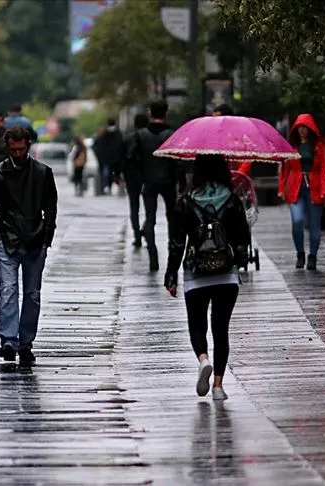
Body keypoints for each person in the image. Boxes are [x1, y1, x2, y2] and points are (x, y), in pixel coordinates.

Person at [164, 154, 251, 401]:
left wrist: (171, 275)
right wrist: (240, 262)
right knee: (221, 329)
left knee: (197, 324)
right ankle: (218, 386)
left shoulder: (185, 201)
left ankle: (203, 359)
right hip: (226, 273)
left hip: (196, 272)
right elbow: (243, 240)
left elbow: (176, 243)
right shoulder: (233, 200)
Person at [0, 127, 58, 364]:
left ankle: (24, 342)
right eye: (13, 149)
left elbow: (51, 208)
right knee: (10, 291)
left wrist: (46, 237)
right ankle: (9, 341)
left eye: (21, 148)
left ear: (28, 146)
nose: (17, 153)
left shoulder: (43, 173)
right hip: (9, 239)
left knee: (31, 294)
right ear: (8, 147)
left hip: (34, 241)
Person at [128, 100, 179, 271]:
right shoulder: (171, 134)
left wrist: (141, 174)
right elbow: (176, 161)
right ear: (166, 113)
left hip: (149, 181)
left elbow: (131, 158)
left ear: (150, 112)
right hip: (168, 182)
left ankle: (152, 254)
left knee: (150, 218)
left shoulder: (140, 135)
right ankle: (173, 251)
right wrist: (180, 180)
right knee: (172, 217)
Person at [278, 114, 325, 271]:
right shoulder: (291, 146)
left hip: (314, 188)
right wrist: (281, 188)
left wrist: (324, 190)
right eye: (299, 127)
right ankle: (300, 252)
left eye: (305, 127)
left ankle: (312, 256)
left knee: (314, 226)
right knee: (297, 221)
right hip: (295, 187)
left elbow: (324, 169)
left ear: (311, 129)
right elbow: (285, 169)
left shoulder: (319, 146)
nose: (302, 130)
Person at [120, 114, 149, 247]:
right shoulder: (150, 137)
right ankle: (147, 230)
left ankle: (137, 235)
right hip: (148, 175)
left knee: (134, 206)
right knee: (150, 208)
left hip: (131, 176)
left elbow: (121, 158)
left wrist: (118, 174)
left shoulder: (128, 138)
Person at [211, 105, 252, 177]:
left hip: (238, 178)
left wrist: (239, 175)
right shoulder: (213, 135)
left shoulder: (240, 134)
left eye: (217, 118)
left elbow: (248, 157)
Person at [92, 119, 124, 195]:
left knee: (105, 174)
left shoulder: (103, 134)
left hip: (105, 159)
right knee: (116, 174)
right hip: (116, 159)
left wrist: (100, 156)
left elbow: (97, 146)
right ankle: (118, 189)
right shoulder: (118, 134)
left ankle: (105, 188)